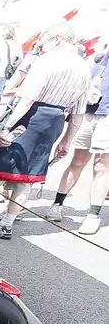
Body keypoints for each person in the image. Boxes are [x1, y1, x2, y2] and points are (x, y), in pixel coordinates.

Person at [0, 23, 91, 239]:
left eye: (44, 41)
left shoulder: (48, 60)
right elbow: (78, 112)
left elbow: (28, 98)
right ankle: (7, 224)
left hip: (29, 118)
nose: (41, 46)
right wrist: (66, 141)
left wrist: (6, 127)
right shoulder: (84, 68)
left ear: (56, 39)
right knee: (26, 176)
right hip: (53, 124)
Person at [46, 52, 108, 234]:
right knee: (77, 161)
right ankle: (58, 203)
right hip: (92, 111)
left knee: (102, 166)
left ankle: (93, 215)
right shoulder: (104, 59)